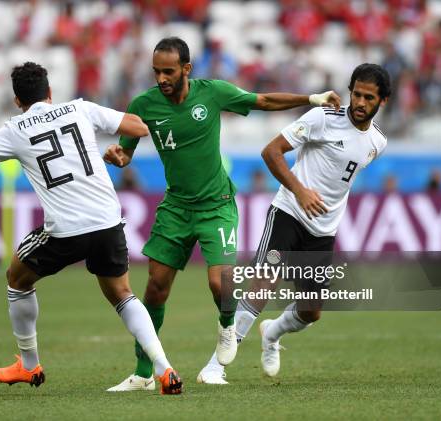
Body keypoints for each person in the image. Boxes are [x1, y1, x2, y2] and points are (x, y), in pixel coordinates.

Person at [0, 62, 183, 395]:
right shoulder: (80, 108)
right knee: (122, 294)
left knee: (17, 278)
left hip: (66, 228)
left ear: (18, 100)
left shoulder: (14, 128)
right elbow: (138, 127)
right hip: (108, 220)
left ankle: (29, 364)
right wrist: (115, 148)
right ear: (50, 93)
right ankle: (165, 369)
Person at [103, 37, 341, 389]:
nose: (161, 78)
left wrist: (312, 99)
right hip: (176, 208)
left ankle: (227, 325)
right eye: (156, 72)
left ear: (187, 68)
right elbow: (126, 152)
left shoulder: (211, 93)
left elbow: (261, 100)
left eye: (168, 71)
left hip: (216, 205)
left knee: (220, 283)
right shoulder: (144, 105)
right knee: (155, 288)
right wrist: (118, 158)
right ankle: (143, 373)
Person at [250, 63, 390, 377]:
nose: (360, 103)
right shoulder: (322, 118)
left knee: (311, 312)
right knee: (263, 284)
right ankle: (216, 365)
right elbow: (271, 151)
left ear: (383, 102)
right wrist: (300, 190)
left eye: (369, 98)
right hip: (289, 210)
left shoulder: (377, 143)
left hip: (323, 228)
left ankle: (271, 334)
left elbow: (341, 179)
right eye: (356, 94)